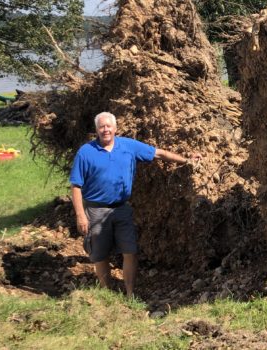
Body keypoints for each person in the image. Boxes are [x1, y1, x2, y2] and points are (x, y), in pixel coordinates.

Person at [70, 112, 198, 298]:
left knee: (130, 250)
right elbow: (76, 185)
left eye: (108, 126)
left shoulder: (128, 146)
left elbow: (159, 153)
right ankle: (107, 294)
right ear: (96, 129)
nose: (105, 130)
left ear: (115, 128)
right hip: (96, 210)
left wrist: (187, 160)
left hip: (122, 208)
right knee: (100, 254)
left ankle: (130, 293)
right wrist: (80, 215)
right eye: (101, 127)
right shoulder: (86, 152)